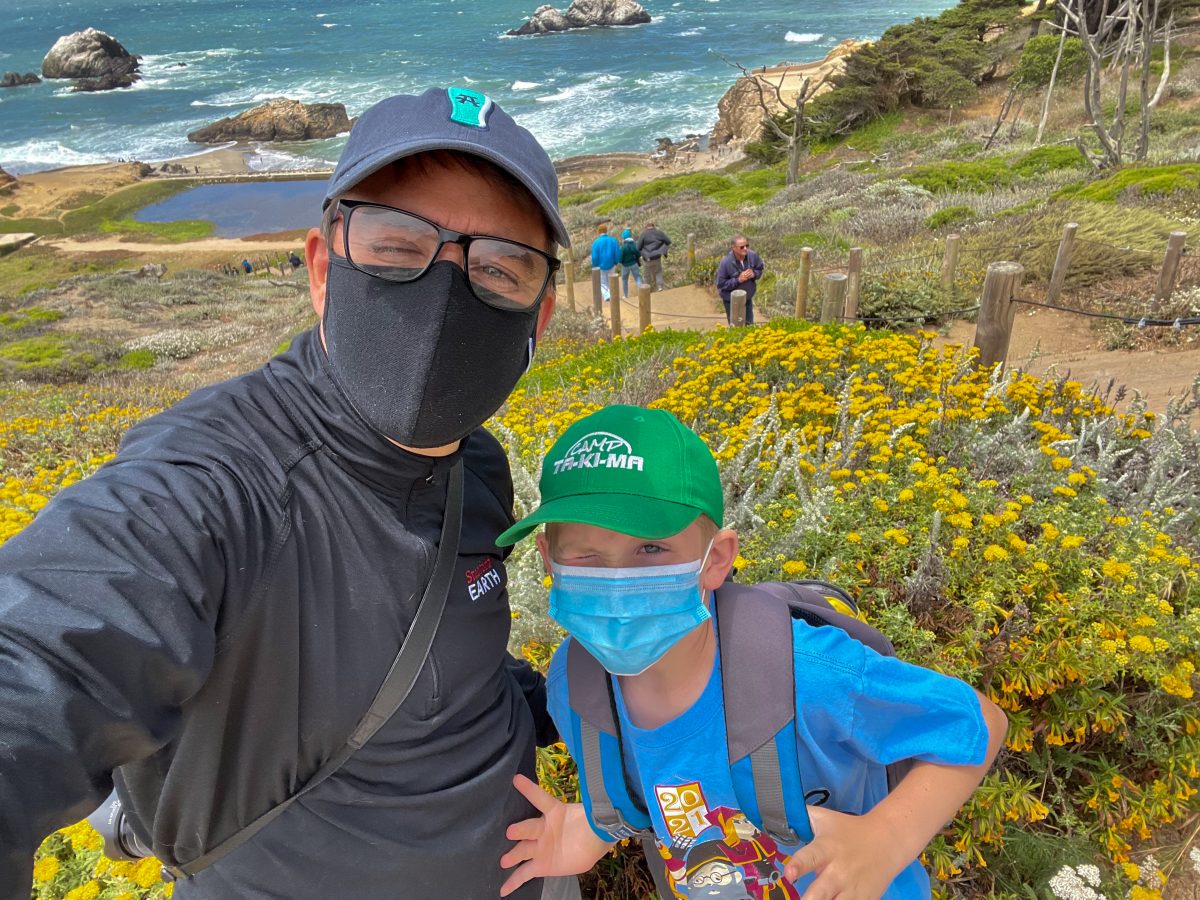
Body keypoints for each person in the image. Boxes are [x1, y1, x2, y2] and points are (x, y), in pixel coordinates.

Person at [0, 87, 580, 900]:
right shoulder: (219, 479)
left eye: (496, 269)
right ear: (321, 268)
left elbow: (447, 656)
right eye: (394, 246)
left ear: (539, 318)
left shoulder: (474, 462)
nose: (445, 294)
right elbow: (40, 652)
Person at [492, 405, 1008, 899]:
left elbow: (979, 723)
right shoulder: (576, 687)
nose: (620, 582)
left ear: (716, 560)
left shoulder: (811, 675)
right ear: (550, 562)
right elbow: (684, 799)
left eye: (651, 549)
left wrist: (886, 839)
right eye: (586, 557)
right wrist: (600, 824)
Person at [715, 234, 763, 325]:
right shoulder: (725, 262)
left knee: (749, 325)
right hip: (731, 302)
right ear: (733, 248)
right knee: (736, 327)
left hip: (747, 298)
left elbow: (759, 269)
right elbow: (721, 284)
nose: (745, 248)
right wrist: (738, 280)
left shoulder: (752, 256)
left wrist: (754, 274)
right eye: (742, 247)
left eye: (747, 245)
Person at [636, 221, 671, 291]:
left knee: (646, 274)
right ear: (653, 226)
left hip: (647, 258)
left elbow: (638, 247)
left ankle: (647, 289)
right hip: (657, 256)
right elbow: (668, 241)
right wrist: (662, 250)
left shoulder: (643, 234)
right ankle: (660, 287)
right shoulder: (659, 232)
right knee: (658, 271)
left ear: (646, 227)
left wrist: (643, 253)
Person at [589, 223, 620, 302]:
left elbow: (595, 257)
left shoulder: (596, 242)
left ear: (599, 231)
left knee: (603, 283)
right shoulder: (613, 240)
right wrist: (616, 262)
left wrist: (595, 265)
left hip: (600, 266)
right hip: (611, 264)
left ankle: (607, 296)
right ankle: (612, 295)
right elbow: (617, 253)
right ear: (606, 230)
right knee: (611, 280)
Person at [618, 227, 642, 299]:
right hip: (634, 264)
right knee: (637, 278)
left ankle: (625, 295)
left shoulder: (623, 247)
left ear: (624, 237)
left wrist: (621, 262)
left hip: (625, 266)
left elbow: (620, 259)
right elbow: (638, 253)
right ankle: (642, 292)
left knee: (624, 280)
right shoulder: (634, 244)